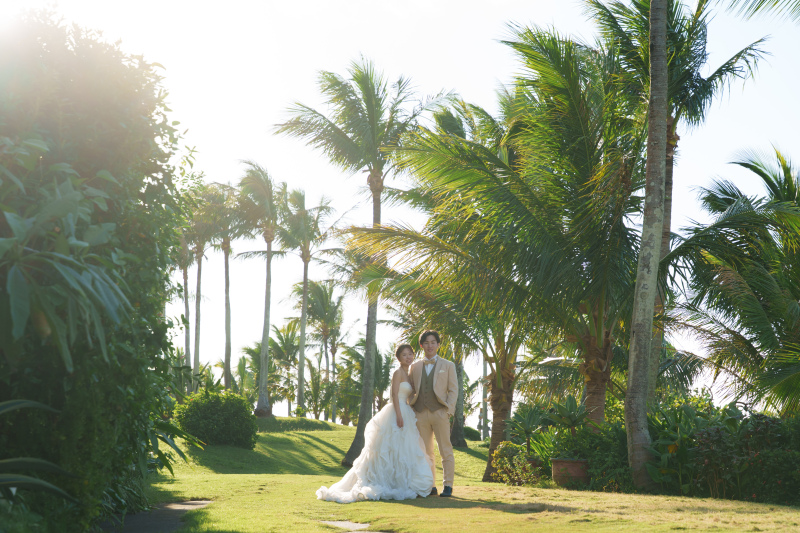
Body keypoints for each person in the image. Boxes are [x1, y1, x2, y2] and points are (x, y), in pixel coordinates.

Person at [316, 344, 434, 503]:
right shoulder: (398, 373)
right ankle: (387, 481)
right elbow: (394, 395)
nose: (408, 357)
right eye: (404, 355)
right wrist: (399, 415)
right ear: (399, 358)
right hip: (396, 411)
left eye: (410, 354)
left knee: (405, 449)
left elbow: (410, 397)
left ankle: (404, 482)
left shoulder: (409, 374)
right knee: (389, 448)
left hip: (407, 411)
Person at [408, 330, 458, 497]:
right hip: (420, 413)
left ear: (438, 345)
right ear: (421, 345)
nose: (430, 345)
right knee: (426, 451)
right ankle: (430, 486)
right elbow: (411, 389)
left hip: (440, 412)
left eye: (433, 342)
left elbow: (453, 390)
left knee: (445, 450)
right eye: (426, 343)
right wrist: (412, 407)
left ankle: (448, 485)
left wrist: (448, 411)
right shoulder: (414, 367)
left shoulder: (448, 365)